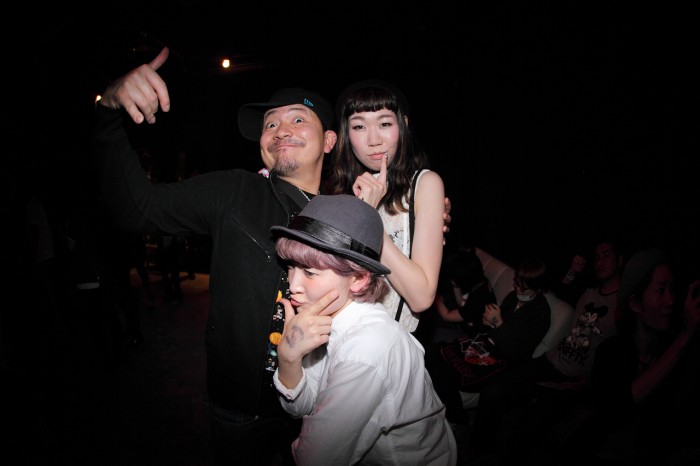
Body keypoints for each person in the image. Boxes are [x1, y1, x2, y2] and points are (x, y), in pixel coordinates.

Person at [94, 48, 451, 465]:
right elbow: (137, 208)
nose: (281, 130)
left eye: (298, 119)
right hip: (243, 414)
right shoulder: (234, 191)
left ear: (329, 140)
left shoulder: (342, 212)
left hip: (324, 398)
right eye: (270, 124)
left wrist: (429, 215)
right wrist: (107, 115)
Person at [271, 194, 457, 465]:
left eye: (310, 273)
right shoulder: (326, 318)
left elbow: (315, 459)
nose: (293, 285)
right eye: (291, 267)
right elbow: (303, 406)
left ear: (358, 279)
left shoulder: (366, 350)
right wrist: (289, 358)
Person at [327, 79, 445, 335]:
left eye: (384, 124)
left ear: (403, 125)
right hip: (332, 338)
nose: (373, 140)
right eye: (359, 126)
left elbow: (422, 297)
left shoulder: (424, 184)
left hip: (385, 344)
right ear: (346, 133)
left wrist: (369, 219)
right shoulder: (335, 192)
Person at [570, 248, 700, 464]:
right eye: (660, 290)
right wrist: (685, 336)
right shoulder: (612, 351)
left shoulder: (676, 354)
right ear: (635, 304)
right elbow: (619, 409)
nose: (670, 300)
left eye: (672, 289)